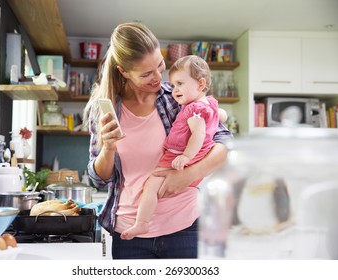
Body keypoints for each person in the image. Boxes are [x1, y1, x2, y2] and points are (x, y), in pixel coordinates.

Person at [83, 22, 232, 259]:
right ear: (123, 71)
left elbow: (226, 147)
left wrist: (187, 176)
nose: (158, 76)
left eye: (160, 65)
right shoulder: (104, 110)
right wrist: (108, 148)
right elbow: (98, 179)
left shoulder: (178, 98)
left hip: (185, 227)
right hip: (129, 236)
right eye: (146, 73)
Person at [120, 55, 228, 240]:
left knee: (151, 187)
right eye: (173, 84)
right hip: (188, 161)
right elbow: (222, 116)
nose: (174, 89)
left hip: (177, 158)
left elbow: (198, 134)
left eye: (179, 84)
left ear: (201, 84)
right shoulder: (207, 104)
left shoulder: (193, 110)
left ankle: (141, 224)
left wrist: (186, 157)